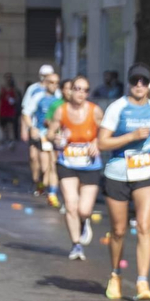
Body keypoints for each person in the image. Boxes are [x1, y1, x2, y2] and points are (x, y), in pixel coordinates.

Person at [97, 65, 150, 301]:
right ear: (129, 83)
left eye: (143, 81)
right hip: (118, 172)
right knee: (118, 231)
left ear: (149, 85)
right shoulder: (117, 108)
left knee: (145, 226)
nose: (139, 85)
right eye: (135, 81)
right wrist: (130, 137)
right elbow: (102, 143)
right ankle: (115, 275)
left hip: (146, 172)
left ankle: (142, 282)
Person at [47, 74, 103, 260]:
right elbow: (49, 133)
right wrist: (54, 138)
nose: (80, 93)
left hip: (90, 164)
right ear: (70, 91)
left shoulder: (95, 111)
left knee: (84, 209)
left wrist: (96, 142)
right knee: (71, 204)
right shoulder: (61, 111)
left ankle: (84, 220)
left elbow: (105, 133)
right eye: (77, 88)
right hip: (67, 162)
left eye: (84, 90)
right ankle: (76, 244)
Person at [22, 67, 59, 197]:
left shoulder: (60, 97)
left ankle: (47, 187)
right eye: (51, 81)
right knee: (33, 158)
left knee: (47, 164)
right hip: (37, 133)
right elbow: (26, 112)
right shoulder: (35, 93)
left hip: (51, 136)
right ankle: (36, 181)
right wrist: (30, 128)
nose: (54, 85)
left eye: (56, 83)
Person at [0, 73, 21, 148]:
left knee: (10, 126)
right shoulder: (2, 88)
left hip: (10, 110)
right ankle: (5, 140)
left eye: (10, 78)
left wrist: (13, 101)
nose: (8, 80)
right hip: (3, 110)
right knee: (4, 127)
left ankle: (11, 141)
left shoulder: (14, 89)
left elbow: (17, 99)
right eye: (7, 78)